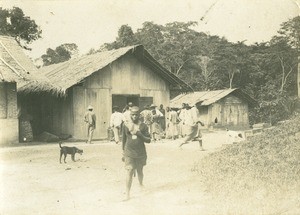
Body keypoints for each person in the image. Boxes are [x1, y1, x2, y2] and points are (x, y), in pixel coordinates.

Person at [122, 106, 151, 201]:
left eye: (136, 115)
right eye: (132, 115)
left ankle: (141, 183)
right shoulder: (125, 125)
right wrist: (123, 153)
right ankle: (127, 193)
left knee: (140, 171)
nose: (134, 117)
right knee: (129, 171)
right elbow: (123, 140)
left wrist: (139, 134)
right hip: (129, 152)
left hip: (140, 152)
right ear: (130, 115)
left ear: (139, 115)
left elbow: (148, 140)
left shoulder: (143, 126)